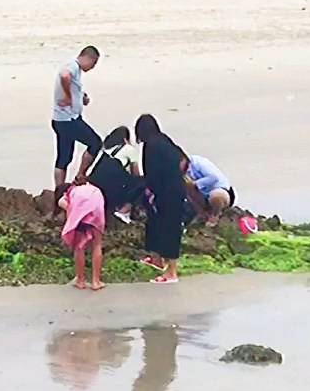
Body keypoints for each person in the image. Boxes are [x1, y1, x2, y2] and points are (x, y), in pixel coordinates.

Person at [135, 113, 186, 284]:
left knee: (169, 228)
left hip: (166, 191)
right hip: (177, 188)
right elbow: (183, 160)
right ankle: (158, 259)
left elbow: (151, 173)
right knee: (165, 224)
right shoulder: (165, 140)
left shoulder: (150, 145)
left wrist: (152, 192)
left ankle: (171, 272)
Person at [51, 46, 102, 195]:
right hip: (68, 120)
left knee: (64, 157)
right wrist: (67, 96)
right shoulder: (72, 66)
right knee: (95, 143)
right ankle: (80, 176)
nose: (92, 68)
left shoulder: (75, 68)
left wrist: (81, 96)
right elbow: (65, 76)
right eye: (93, 64)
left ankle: (59, 192)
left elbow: (73, 84)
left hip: (63, 119)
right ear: (88, 58)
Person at [86, 126, 145, 223]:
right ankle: (124, 210)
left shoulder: (106, 150)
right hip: (112, 189)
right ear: (125, 139)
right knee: (143, 182)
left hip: (95, 188)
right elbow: (136, 174)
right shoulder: (129, 149)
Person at [59, 178, 107, 290]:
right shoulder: (94, 189)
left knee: (79, 247)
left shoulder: (70, 191)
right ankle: (96, 281)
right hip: (96, 214)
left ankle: (80, 280)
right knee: (97, 245)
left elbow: (63, 204)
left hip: (81, 214)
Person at [185, 155, 235, 222]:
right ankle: (203, 214)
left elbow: (213, 177)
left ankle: (215, 215)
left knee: (216, 195)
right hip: (202, 197)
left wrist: (195, 184)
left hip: (221, 192)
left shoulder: (199, 162)